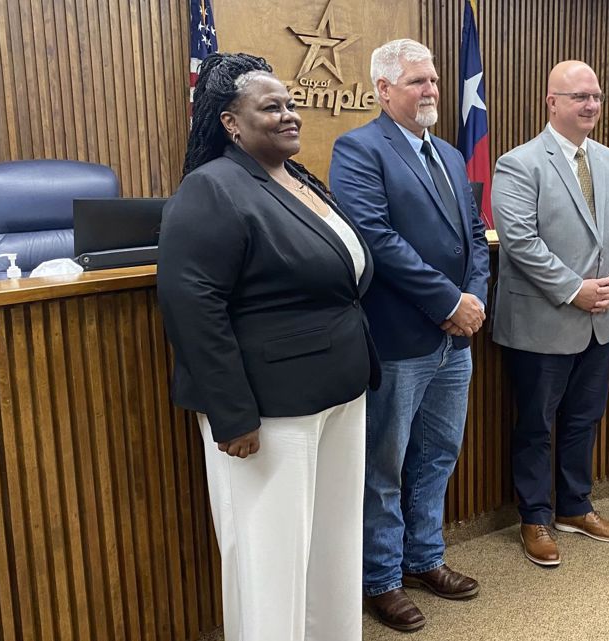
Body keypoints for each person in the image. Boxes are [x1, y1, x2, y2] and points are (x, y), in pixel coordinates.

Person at [156, 53, 378, 641]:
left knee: (333, 544)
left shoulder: (298, 179)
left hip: (338, 392)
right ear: (231, 123)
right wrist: (231, 413)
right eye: (271, 107)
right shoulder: (211, 188)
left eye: (291, 103)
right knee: (270, 559)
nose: (289, 114)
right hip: (268, 409)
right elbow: (193, 308)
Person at [329, 39, 490, 632]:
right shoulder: (358, 150)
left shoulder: (448, 153)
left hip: (455, 342)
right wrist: (448, 301)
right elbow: (373, 237)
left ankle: (425, 558)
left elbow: (475, 233)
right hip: (400, 338)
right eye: (417, 82)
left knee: (438, 455)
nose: (431, 91)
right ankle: (381, 579)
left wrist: (471, 301)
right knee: (385, 462)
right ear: (383, 90)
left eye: (434, 80)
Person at [491, 60, 609, 567]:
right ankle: (535, 516)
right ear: (551, 102)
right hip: (543, 320)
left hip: (602, 320)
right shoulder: (519, 163)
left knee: (583, 419)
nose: (591, 105)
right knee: (536, 424)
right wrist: (574, 289)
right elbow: (519, 240)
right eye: (579, 96)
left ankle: (575, 507)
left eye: (596, 96)